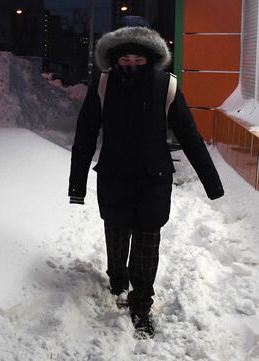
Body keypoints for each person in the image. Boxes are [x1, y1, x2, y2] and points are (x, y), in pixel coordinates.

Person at [68, 25, 224, 338]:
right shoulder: (102, 84)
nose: (132, 63)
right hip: (114, 176)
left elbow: (190, 136)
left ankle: (141, 304)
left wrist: (212, 183)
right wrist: (77, 186)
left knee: (146, 244)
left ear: (150, 58)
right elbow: (85, 134)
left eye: (139, 58)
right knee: (116, 238)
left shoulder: (166, 86)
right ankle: (117, 279)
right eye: (125, 58)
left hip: (154, 179)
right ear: (114, 58)